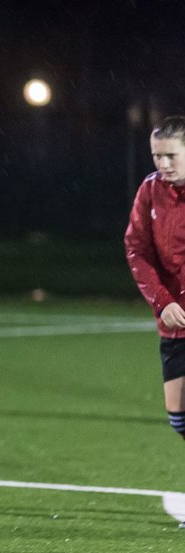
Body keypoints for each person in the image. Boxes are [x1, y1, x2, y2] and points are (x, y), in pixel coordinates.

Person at [126, 116, 185, 467]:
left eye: (171, 156)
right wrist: (163, 302)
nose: (162, 164)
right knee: (179, 418)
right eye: (156, 156)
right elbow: (137, 249)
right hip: (175, 324)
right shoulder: (150, 190)